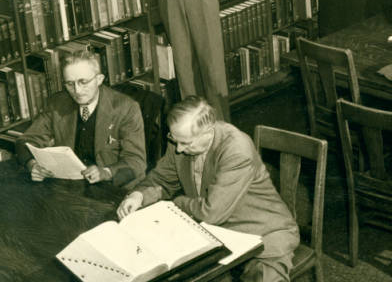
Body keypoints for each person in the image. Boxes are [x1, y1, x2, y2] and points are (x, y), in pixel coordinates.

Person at [117, 96, 299, 282]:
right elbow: (162, 179)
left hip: (263, 234)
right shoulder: (181, 140)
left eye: (186, 143)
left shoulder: (236, 149)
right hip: (214, 234)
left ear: (209, 131)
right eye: (174, 139)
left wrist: (175, 204)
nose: (178, 149)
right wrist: (139, 195)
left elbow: (212, 212)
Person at [15, 49, 146, 187]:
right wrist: (33, 165)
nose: (77, 91)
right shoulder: (58, 103)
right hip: (70, 185)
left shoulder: (126, 108)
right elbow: (26, 140)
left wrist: (106, 173)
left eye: (83, 82)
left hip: (112, 188)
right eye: (70, 84)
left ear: (99, 79)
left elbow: (136, 161)